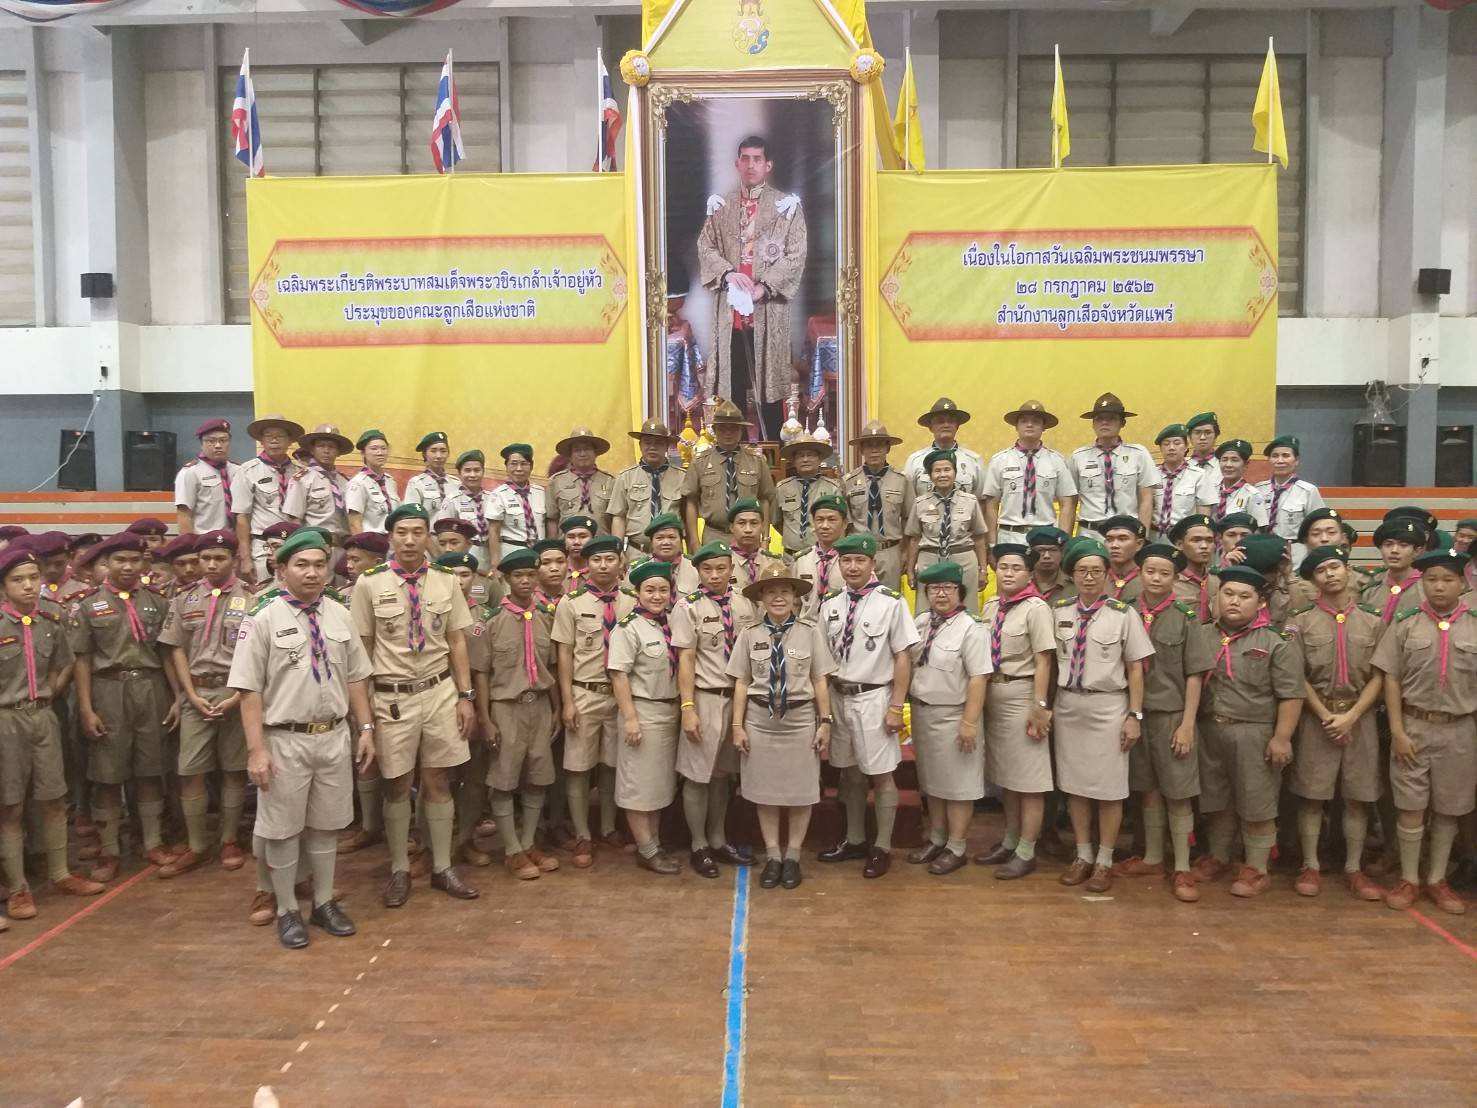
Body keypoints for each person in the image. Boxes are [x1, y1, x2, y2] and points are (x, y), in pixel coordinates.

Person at [230, 528, 374, 948]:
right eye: (301, 565)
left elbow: (356, 677)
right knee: (282, 829)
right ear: (281, 570)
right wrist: (256, 751)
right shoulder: (262, 618)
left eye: (319, 565)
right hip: (284, 740)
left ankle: (323, 902)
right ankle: (287, 908)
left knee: (327, 826)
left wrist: (365, 728)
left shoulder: (339, 613)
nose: (312, 573)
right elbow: (249, 691)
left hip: (332, 736)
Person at [351, 504, 479, 907]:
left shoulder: (446, 580)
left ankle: (442, 866)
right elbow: (361, 651)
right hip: (392, 696)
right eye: (402, 533)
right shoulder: (369, 583)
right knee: (397, 784)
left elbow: (457, 641)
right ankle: (400, 869)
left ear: (428, 537)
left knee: (438, 780)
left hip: (439, 691)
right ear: (390, 537)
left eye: (417, 532)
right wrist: (364, 717)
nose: (409, 540)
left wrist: (465, 697)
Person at [68, 532, 182, 881]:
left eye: (135, 560)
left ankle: (152, 841)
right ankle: (109, 849)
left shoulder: (157, 602)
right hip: (108, 690)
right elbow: (82, 660)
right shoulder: (88, 606)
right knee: (107, 774)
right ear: (106, 563)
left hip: (150, 687)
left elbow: (167, 653)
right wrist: (86, 708)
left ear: (144, 563)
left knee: (150, 769)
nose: (128, 567)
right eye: (120, 560)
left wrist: (177, 696)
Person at [0, 546, 104, 925]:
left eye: (33, 578)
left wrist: (48, 693)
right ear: (3, 586)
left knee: (54, 797)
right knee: (10, 806)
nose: (28, 586)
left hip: (43, 716)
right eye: (18, 580)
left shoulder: (50, 619)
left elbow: (64, 663)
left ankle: (61, 873)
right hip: (6, 720)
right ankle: (18, 887)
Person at [1373, 548, 1477, 915]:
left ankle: (1437, 878)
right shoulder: (1406, 623)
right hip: (1413, 727)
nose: (1439, 586)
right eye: (1432, 579)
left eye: (1448, 579)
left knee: (1450, 808)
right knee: (1410, 807)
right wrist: (1398, 731)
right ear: (1423, 584)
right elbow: (1391, 678)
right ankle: (1409, 878)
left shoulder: (1475, 624)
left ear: (1463, 583)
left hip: (1460, 729)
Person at [1189, 563, 1303, 897]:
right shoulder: (1202, 635)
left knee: (1257, 801)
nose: (1234, 602)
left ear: (1260, 602)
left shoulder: (1275, 642)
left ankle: (1257, 868)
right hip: (1210, 730)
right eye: (1228, 594)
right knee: (1217, 799)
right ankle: (1219, 856)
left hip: (1254, 732)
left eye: (1244, 596)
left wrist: (1281, 738)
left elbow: (1291, 694)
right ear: (1217, 597)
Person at [1110, 542, 1213, 902]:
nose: (1156, 578)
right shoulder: (1124, 611)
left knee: (1178, 792)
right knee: (1148, 789)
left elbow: (1195, 674)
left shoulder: (1185, 617)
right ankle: (1153, 857)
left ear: (1175, 578)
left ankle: (1181, 865)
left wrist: (1187, 724)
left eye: (1164, 573)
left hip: (1171, 715)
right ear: (1139, 573)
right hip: (1133, 714)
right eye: (1150, 571)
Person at [1051, 538, 1154, 895]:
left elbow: (1136, 669)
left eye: (1096, 571)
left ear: (1108, 575)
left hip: (1108, 707)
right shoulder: (1059, 612)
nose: (1089, 577)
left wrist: (1134, 715)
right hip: (1069, 706)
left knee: (1110, 789)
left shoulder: (1123, 615)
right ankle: (1082, 854)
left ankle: (1105, 860)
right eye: (1082, 571)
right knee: (1075, 786)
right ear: (1073, 575)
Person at [1283, 546, 1386, 901]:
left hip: (1360, 717)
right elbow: (1296, 676)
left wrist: (1352, 716)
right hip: (1317, 718)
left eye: (1335, 566)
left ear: (1348, 571)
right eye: (1321, 570)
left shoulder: (1373, 620)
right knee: (1312, 795)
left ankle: (1354, 868)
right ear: (1313, 581)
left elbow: (1381, 674)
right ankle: (1310, 864)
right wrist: (1327, 716)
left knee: (1358, 797)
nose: (1329, 574)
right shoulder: (1301, 621)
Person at [816, 533, 919, 879]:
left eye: (860, 560)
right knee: (850, 772)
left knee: (882, 774)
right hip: (839, 695)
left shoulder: (891, 602)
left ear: (873, 563)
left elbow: (902, 656)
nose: (853, 567)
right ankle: (856, 839)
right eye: (846, 560)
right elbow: (822, 658)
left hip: (874, 697)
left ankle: (882, 847)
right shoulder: (831, 603)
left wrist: (896, 706)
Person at [729, 560, 835, 889]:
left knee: (802, 792)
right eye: (771, 591)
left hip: (800, 720)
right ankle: (773, 855)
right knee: (766, 792)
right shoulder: (749, 634)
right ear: (761, 598)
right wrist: (737, 725)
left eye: (785, 591)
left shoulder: (810, 632)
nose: (778, 597)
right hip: (760, 721)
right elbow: (742, 682)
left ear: (795, 596)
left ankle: (793, 857)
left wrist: (825, 721)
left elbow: (819, 680)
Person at [156, 529, 255, 878]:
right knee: (190, 770)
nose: (211, 565)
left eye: (219, 558)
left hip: (235, 693)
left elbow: (258, 655)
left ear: (234, 560)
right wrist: (188, 694)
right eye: (205, 558)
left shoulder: (252, 598)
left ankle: (229, 839)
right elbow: (176, 649)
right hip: (196, 693)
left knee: (233, 769)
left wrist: (237, 697)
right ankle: (197, 844)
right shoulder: (184, 599)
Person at [696, 134, 808, 440]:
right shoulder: (722, 206)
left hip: (768, 312)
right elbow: (706, 246)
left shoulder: (786, 208)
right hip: (730, 314)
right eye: (745, 158)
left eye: (757, 159)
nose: (751, 165)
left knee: (768, 392)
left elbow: (796, 254)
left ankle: (772, 455)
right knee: (732, 391)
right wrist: (728, 274)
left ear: (768, 165)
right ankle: (734, 451)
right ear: (737, 164)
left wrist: (764, 287)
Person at [470, 547, 561, 882]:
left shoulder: (546, 617)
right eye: (518, 576)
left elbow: (552, 666)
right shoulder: (490, 622)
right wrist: (485, 718)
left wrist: (557, 707)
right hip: (506, 707)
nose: (525, 581)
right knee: (504, 779)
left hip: (540, 705)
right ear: (507, 580)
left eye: (530, 575)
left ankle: (528, 843)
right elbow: (481, 674)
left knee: (539, 776)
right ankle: (511, 850)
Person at [671, 541, 758, 878]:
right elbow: (686, 659)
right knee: (697, 776)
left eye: (721, 568)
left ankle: (718, 839)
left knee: (722, 776)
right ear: (698, 571)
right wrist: (688, 707)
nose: (715, 575)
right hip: (705, 697)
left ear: (731, 569)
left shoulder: (745, 603)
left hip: (737, 699)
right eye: (707, 569)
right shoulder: (688, 607)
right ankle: (699, 844)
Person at [551, 533, 636, 861]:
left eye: (610, 559)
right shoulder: (571, 603)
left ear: (620, 562)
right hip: (585, 692)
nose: (603, 565)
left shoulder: (631, 601)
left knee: (612, 765)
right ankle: (583, 833)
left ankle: (608, 827)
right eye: (596, 560)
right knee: (578, 767)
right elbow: (564, 655)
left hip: (620, 696)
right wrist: (568, 701)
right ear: (586, 565)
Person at [972, 543, 1055, 878]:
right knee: (1007, 776)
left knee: (1029, 780)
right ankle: (1009, 840)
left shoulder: (1036, 608)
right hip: (994, 693)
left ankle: (1026, 850)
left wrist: (1039, 705)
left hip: (1022, 693)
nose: (1008, 573)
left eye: (1016, 568)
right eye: (1003, 567)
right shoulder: (992, 605)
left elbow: (1043, 660)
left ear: (1030, 573)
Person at [906, 561, 990, 876]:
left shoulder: (972, 628)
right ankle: (937, 838)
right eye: (934, 589)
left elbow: (978, 678)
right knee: (933, 782)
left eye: (948, 588)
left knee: (958, 785)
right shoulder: (921, 623)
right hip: (923, 712)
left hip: (954, 715)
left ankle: (956, 846)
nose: (941, 594)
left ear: (960, 591)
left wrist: (969, 722)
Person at [608, 560, 682, 874]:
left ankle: (654, 842)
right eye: (650, 590)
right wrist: (630, 718)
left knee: (658, 786)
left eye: (663, 589)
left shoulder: (672, 623)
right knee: (638, 786)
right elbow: (619, 675)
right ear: (637, 592)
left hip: (669, 712)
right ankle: (647, 849)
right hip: (643, 711)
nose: (657, 596)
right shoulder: (628, 628)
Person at [681, 400, 775, 548]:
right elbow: (691, 501)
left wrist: (765, 539)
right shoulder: (700, 462)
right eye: (723, 428)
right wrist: (694, 542)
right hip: (714, 535)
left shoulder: (756, 461)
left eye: (733, 428)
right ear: (715, 430)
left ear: (741, 430)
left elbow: (765, 499)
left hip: (749, 535)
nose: (728, 432)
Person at [983, 399, 1077, 547]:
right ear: (1016, 426)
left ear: (1044, 427)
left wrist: (1062, 542)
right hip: (1010, 536)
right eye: (1024, 421)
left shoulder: (1056, 460)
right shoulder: (1000, 460)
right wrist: (992, 544)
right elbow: (991, 506)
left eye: (1036, 421)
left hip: (1046, 536)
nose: (1029, 425)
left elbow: (1067, 504)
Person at [904, 450, 988, 611]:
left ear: (955, 473)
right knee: (926, 611)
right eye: (937, 471)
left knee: (967, 610)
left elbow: (979, 537)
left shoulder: (970, 501)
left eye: (947, 470)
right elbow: (914, 539)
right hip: (930, 560)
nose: (942, 475)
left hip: (963, 560)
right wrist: (910, 571)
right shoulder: (920, 503)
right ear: (930, 476)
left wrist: (983, 569)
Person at [1068, 393, 1161, 540]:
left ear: (1122, 423)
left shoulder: (1138, 454)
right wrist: (1067, 541)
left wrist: (1142, 538)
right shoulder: (1078, 457)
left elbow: (1146, 499)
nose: (1105, 422)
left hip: (1126, 534)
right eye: (1099, 418)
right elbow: (1070, 502)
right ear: (1093, 423)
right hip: (1089, 534)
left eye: (1112, 418)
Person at [232, 417, 306, 584]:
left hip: (295, 544)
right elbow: (242, 517)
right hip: (263, 546)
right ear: (261, 440)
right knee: (264, 591)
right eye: (268, 435)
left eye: (280, 436)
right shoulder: (248, 471)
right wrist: (245, 558)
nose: (274, 440)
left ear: (290, 441)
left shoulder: (301, 472)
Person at [842, 421, 912, 591]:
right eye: (869, 445)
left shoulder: (902, 480)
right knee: (858, 596)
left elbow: (909, 520)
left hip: (890, 551)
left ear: (888, 448)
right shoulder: (848, 482)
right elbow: (844, 524)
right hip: (859, 551)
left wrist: (905, 553)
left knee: (890, 599)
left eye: (879, 445)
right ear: (861, 449)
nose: (874, 450)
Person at [609, 420, 685, 554]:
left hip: (672, 552)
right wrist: (617, 551)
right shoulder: (625, 477)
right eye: (647, 443)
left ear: (667, 446)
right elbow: (618, 517)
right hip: (637, 552)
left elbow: (688, 517)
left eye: (658, 443)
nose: (652, 447)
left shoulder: (682, 477)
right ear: (640, 445)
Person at [1256, 435, 1323, 564]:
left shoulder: (1308, 491)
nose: (1280, 461)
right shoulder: (1259, 490)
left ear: (1296, 460)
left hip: (1296, 556)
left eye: (1286, 456)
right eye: (1275, 456)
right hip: (1263, 553)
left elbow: (1318, 526)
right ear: (1269, 460)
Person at [772, 434, 841, 557]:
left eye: (810, 455)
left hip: (822, 556)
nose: (805, 459)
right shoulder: (782, 488)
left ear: (819, 459)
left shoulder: (833, 488)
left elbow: (840, 524)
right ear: (793, 461)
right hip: (790, 557)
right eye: (800, 456)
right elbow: (777, 522)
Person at [904, 398, 985, 499]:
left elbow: (981, 502)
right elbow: (908, 502)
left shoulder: (974, 460)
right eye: (940, 421)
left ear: (957, 426)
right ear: (930, 427)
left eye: (951, 421)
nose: (946, 425)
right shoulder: (915, 461)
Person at [284, 425, 352, 545]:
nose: (326, 451)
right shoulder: (303, 479)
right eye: (321, 446)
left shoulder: (344, 482)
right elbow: (294, 519)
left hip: (342, 545)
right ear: (312, 450)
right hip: (315, 544)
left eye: (331, 447)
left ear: (338, 452)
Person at [1151, 423, 1217, 541]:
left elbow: (1204, 515)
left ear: (1186, 446)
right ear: (1160, 448)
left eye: (1177, 443)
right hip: (1154, 535)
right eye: (1166, 444)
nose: (1171, 448)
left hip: (1184, 537)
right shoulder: (1151, 475)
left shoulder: (1199, 475)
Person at [435, 450, 499, 571]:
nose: (472, 475)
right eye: (467, 470)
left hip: (490, 554)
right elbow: (444, 535)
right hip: (465, 554)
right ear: (460, 473)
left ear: (483, 472)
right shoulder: (452, 501)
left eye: (477, 470)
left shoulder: (493, 498)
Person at [175, 418, 238, 536]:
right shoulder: (190, 472)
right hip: (203, 540)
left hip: (232, 539)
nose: (218, 445)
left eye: (223, 440)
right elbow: (184, 515)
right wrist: (188, 544)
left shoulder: (238, 471)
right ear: (202, 444)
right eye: (211, 441)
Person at [488, 443, 546, 567]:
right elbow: (493, 531)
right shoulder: (498, 495)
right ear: (506, 467)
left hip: (538, 553)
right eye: (513, 464)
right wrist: (495, 563)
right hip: (512, 552)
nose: (519, 469)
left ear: (531, 467)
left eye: (524, 464)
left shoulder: (540, 493)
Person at [547, 428, 615, 534]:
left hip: (601, 542)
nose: (582, 454)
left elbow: (617, 518)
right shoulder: (556, 481)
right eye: (577, 450)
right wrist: (553, 543)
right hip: (569, 542)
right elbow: (552, 519)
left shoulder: (610, 481)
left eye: (587, 449)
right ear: (570, 455)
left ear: (595, 453)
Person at [791, 495, 847, 621]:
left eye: (832, 520)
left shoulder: (852, 560)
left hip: (840, 628)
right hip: (807, 628)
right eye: (820, 520)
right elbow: (794, 603)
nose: (825, 526)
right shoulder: (801, 560)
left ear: (844, 523)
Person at [1362, 515, 1425, 624]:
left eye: (1403, 545)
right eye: (1388, 544)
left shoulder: (1425, 589)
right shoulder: (1369, 588)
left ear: (1417, 551)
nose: (1394, 550)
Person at [345, 430, 400, 534]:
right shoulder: (358, 483)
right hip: (371, 541)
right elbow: (354, 523)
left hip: (392, 540)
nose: (380, 453)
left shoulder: (390, 481)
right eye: (374, 449)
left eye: (383, 448)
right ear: (363, 453)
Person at [631, 514, 699, 596]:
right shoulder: (637, 568)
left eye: (672, 537)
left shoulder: (696, 567)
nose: (666, 542)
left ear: (681, 541)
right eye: (660, 538)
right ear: (651, 542)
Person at [1169, 514, 1216, 622]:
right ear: (1180, 544)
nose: (1204, 546)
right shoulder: (1169, 582)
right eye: (1196, 540)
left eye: (1209, 540)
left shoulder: (1218, 581)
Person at [725, 499, 778, 594]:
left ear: (762, 527)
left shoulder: (774, 562)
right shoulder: (722, 564)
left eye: (754, 523)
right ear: (732, 527)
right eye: (741, 523)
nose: (748, 530)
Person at [402, 432, 458, 517]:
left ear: (448, 453)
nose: (439, 456)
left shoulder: (456, 483)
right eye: (433, 451)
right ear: (424, 454)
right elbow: (412, 516)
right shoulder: (416, 483)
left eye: (443, 451)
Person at [1211, 439, 1267, 524]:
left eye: (1234, 460)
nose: (1228, 465)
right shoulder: (1211, 490)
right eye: (1224, 460)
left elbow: (1259, 527)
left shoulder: (1254, 495)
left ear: (1246, 464)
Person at [1101, 515, 1146, 603]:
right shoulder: (1097, 577)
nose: (1114, 545)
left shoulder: (1149, 579)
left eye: (1122, 539)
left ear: (1139, 544)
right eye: (1109, 540)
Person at [1026, 526, 1073, 605]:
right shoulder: (1021, 582)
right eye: (1040, 550)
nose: (1047, 556)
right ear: (1031, 553)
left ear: (1062, 554)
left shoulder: (1075, 584)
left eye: (1053, 550)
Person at [127, 518, 172, 592]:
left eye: (153, 540)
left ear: (163, 542)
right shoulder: (125, 567)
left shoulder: (171, 566)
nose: (147, 544)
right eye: (142, 540)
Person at [155, 535, 202, 601]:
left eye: (195, 562)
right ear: (172, 566)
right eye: (181, 564)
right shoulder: (161, 593)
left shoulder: (215, 589)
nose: (189, 569)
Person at [559, 516, 597, 595]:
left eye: (583, 537)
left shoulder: (601, 571)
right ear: (564, 541)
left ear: (593, 540)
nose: (576, 542)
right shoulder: (556, 571)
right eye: (571, 537)